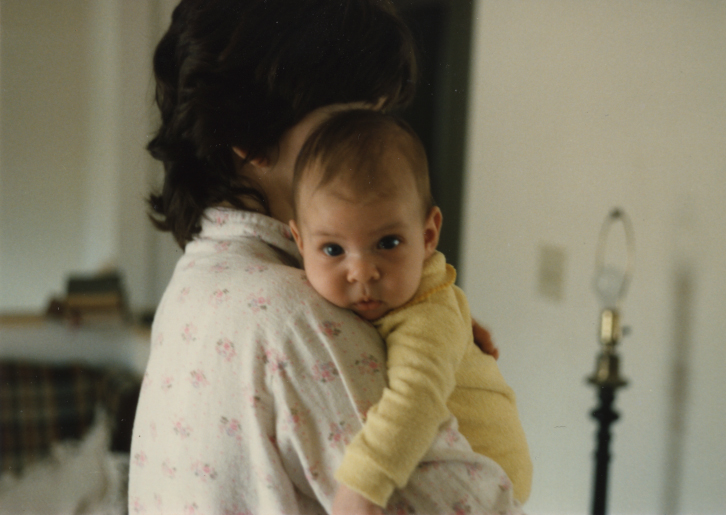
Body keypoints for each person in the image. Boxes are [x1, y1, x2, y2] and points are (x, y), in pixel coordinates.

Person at [129, 1, 525, 514]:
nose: (373, 143)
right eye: (356, 118)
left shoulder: (197, 283)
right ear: (251, 134)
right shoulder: (295, 316)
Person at [288, 109, 532, 509]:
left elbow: (414, 399)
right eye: (332, 249)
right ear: (299, 242)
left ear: (428, 234)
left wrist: (361, 488)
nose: (362, 272)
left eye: (387, 243)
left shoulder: (428, 315)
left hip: (491, 476)